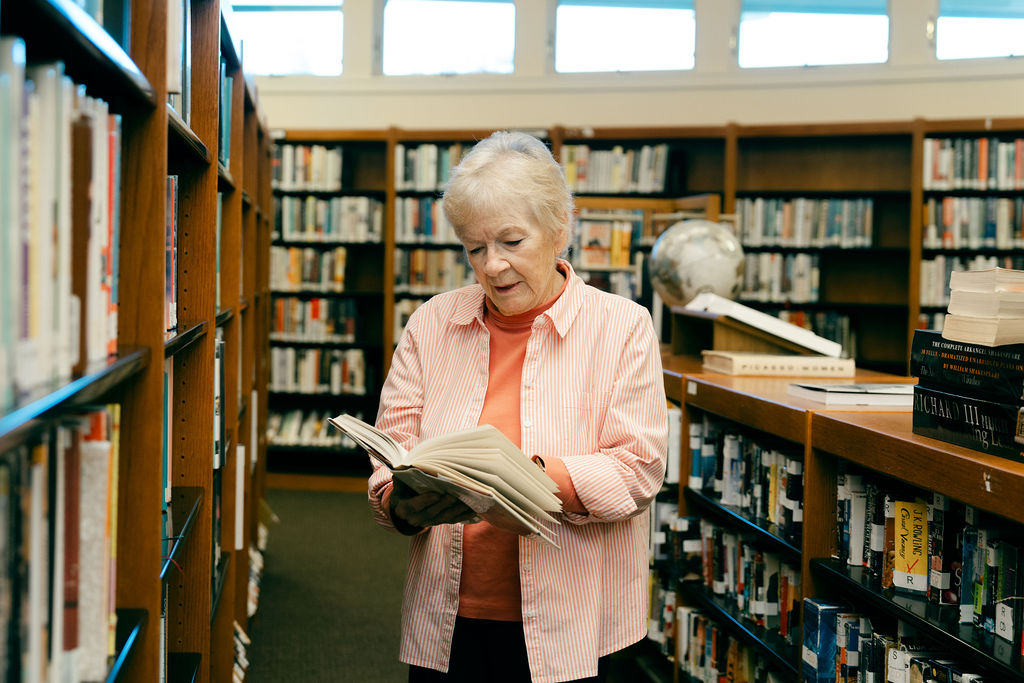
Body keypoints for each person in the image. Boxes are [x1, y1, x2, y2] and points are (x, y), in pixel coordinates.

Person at [367, 130, 668, 683]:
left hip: (571, 620)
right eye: (475, 248)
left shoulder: (623, 326)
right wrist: (402, 504)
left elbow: (639, 469)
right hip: (449, 616)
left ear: (559, 229)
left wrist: (527, 480)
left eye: (511, 241)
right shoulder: (432, 323)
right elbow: (392, 452)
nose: (493, 266)